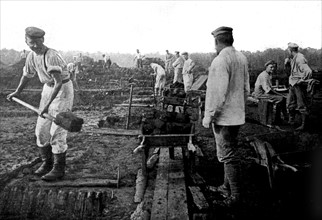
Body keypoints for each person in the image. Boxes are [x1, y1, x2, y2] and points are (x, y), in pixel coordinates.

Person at [7, 27, 74, 181]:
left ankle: (58, 169)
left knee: (57, 128)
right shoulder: (31, 56)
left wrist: (46, 106)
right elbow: (26, 75)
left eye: (38, 42)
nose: (35, 46)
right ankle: (47, 162)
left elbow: (58, 83)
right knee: (41, 130)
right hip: (47, 89)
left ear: (43, 40)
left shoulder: (52, 56)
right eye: (32, 43)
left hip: (62, 90)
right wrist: (17, 92)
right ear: (26, 42)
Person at [202, 26, 250, 208]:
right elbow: (246, 89)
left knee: (227, 155)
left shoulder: (220, 61)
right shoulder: (241, 58)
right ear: (232, 40)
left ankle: (235, 196)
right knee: (229, 152)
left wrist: (209, 116)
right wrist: (239, 108)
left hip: (223, 117)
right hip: (236, 115)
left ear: (216, 41)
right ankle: (225, 187)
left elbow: (216, 93)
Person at [285, 42, 312, 131]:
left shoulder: (300, 58)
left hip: (298, 85)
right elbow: (290, 72)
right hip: (292, 84)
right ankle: (292, 122)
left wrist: (303, 79)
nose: (287, 51)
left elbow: (308, 71)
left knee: (301, 105)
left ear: (290, 50)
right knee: (290, 104)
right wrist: (287, 64)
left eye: (288, 50)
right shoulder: (293, 58)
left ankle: (304, 126)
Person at [252, 60, 288, 125]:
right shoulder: (264, 75)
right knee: (282, 98)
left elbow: (269, 87)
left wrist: (277, 93)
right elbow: (268, 90)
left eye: (274, 67)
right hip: (261, 94)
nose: (273, 69)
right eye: (271, 67)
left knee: (282, 98)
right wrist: (278, 93)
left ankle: (279, 118)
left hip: (264, 93)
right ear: (266, 67)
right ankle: (282, 118)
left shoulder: (268, 74)